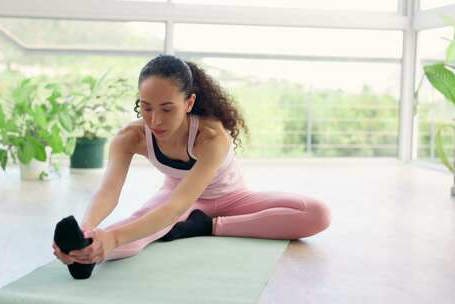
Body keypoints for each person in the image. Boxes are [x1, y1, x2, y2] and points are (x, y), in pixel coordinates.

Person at [52, 54, 331, 266]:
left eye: (167, 109)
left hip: (232, 199)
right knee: (136, 228)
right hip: (180, 198)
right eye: (146, 107)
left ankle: (207, 227)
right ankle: (84, 253)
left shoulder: (211, 136)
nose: (155, 120)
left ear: (188, 103)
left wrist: (115, 238)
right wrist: (86, 232)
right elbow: (108, 191)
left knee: (317, 213)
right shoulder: (130, 137)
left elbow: (176, 207)